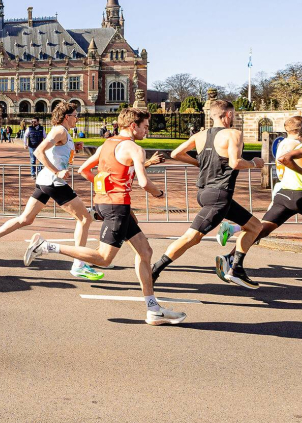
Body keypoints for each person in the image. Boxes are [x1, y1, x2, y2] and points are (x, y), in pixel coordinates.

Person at [23, 108, 185, 326]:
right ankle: (46, 246)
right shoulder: (136, 149)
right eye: (145, 126)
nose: (147, 131)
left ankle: (153, 309)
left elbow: (84, 169)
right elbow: (145, 183)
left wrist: (106, 187)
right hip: (116, 206)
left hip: (113, 204)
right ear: (133, 126)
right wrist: (160, 194)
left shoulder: (107, 144)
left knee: (145, 251)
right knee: (103, 258)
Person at [0, 102, 122, 281]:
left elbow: (56, 153)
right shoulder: (59, 130)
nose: (78, 118)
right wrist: (57, 171)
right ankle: (79, 265)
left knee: (26, 219)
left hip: (46, 181)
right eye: (75, 115)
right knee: (84, 218)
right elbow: (38, 151)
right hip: (54, 182)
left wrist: (74, 149)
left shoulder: (65, 133)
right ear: (67, 116)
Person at [215, 116, 302, 281]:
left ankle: (232, 258)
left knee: (260, 229)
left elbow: (300, 162)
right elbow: (284, 159)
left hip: (284, 195)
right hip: (300, 197)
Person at [149, 99, 265, 288]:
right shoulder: (233, 134)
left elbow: (176, 153)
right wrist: (254, 163)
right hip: (219, 196)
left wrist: (199, 163)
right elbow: (235, 163)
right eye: (233, 115)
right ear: (228, 115)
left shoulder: (200, 135)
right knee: (191, 238)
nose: (233, 118)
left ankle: (236, 267)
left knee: (254, 226)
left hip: (206, 193)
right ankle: (154, 270)